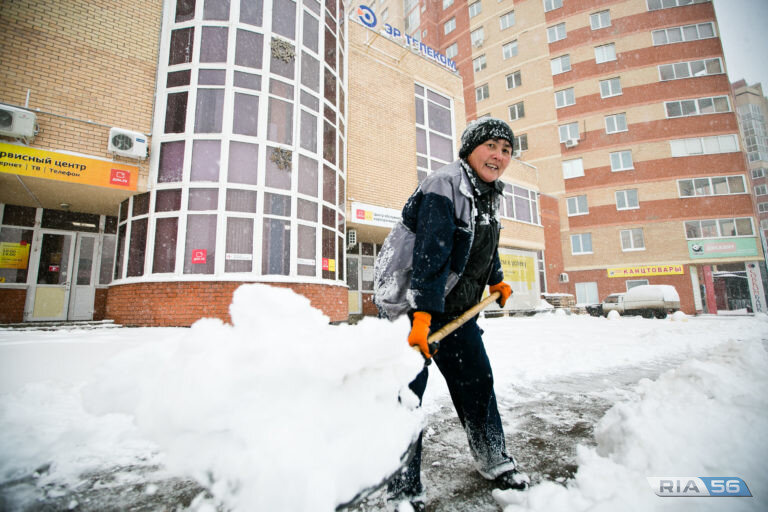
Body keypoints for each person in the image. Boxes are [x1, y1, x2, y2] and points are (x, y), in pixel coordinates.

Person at [377, 117, 529, 511]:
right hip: (412, 308)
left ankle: (494, 459)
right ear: (470, 149)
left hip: (456, 312)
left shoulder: (490, 194)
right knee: (407, 399)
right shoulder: (443, 185)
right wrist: (422, 318)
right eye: (492, 146)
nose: (499, 156)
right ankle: (401, 489)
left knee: (477, 382)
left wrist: (495, 280)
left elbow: (483, 245)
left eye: (507, 150)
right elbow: (431, 256)